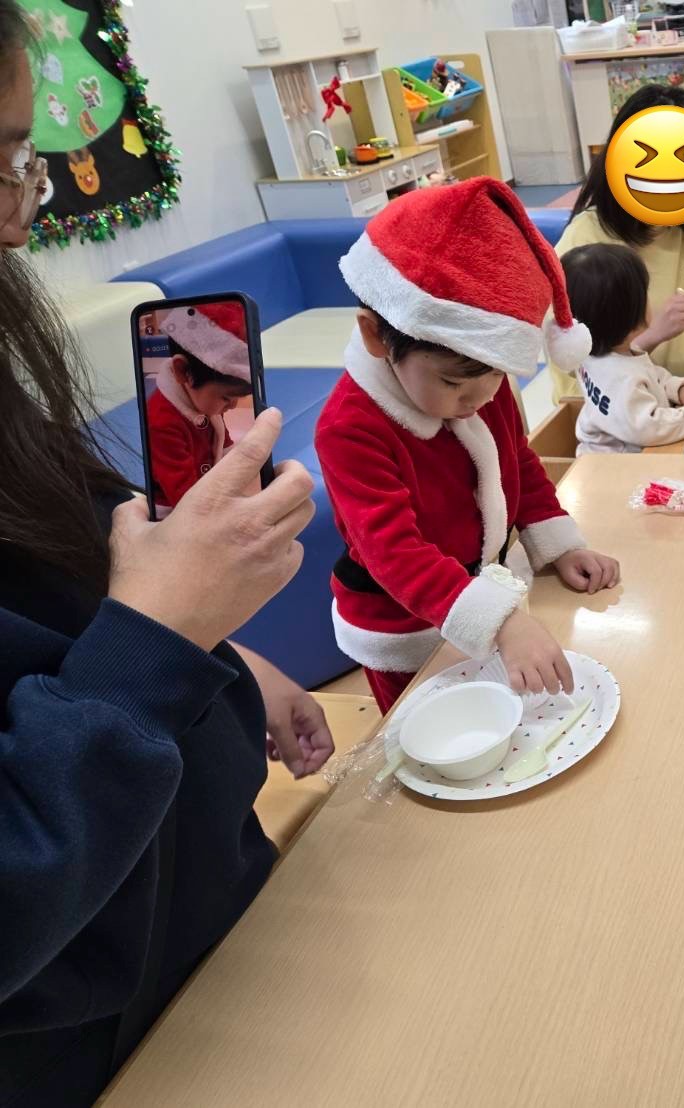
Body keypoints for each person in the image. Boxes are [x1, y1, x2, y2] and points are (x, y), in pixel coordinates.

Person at [0, 3, 332, 1099]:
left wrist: (224, 657)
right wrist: (162, 637)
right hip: (100, 1032)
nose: (18, 219)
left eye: (21, 161)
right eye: (3, 164)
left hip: (205, 905)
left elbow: (70, 583)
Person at [316, 178, 622, 712]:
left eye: (495, 376)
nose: (477, 398)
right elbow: (395, 553)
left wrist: (560, 546)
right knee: (427, 736)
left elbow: (517, 465)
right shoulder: (350, 428)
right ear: (375, 338)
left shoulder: (481, 382)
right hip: (404, 630)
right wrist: (501, 622)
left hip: (492, 595)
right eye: (454, 384)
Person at [552, 86, 684, 402]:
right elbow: (573, 360)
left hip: (673, 396)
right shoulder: (587, 242)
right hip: (604, 416)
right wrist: (650, 336)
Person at [564, 243, 684, 455]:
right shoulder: (620, 376)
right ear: (634, 311)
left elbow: (648, 376)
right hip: (615, 469)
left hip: (614, 457)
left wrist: (676, 388)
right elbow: (648, 427)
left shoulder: (596, 354)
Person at [145, 302, 253, 509]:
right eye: (226, 398)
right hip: (173, 510)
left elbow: (222, 439)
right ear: (183, 372)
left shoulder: (203, 401)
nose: (232, 407)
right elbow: (182, 497)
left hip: (208, 490)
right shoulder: (161, 422)